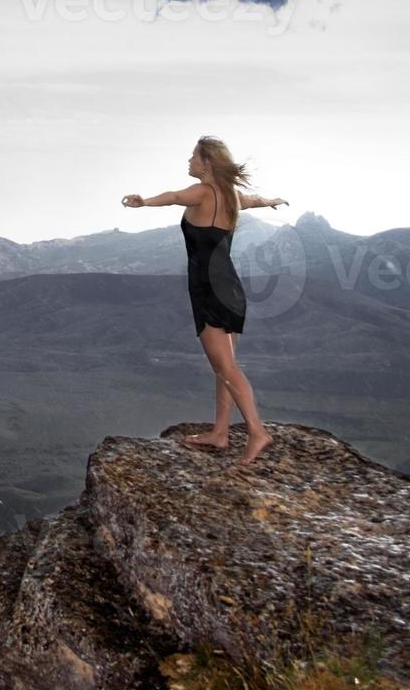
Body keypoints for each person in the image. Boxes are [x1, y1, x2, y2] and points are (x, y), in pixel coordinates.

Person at [121, 135, 289, 467]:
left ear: (207, 162)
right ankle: (221, 433)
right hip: (230, 288)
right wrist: (271, 200)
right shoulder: (231, 196)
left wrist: (144, 201)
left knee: (225, 367)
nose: (189, 161)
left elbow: (174, 197)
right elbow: (252, 199)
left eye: (193, 157)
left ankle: (257, 432)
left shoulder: (203, 192)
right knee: (223, 367)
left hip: (209, 289)